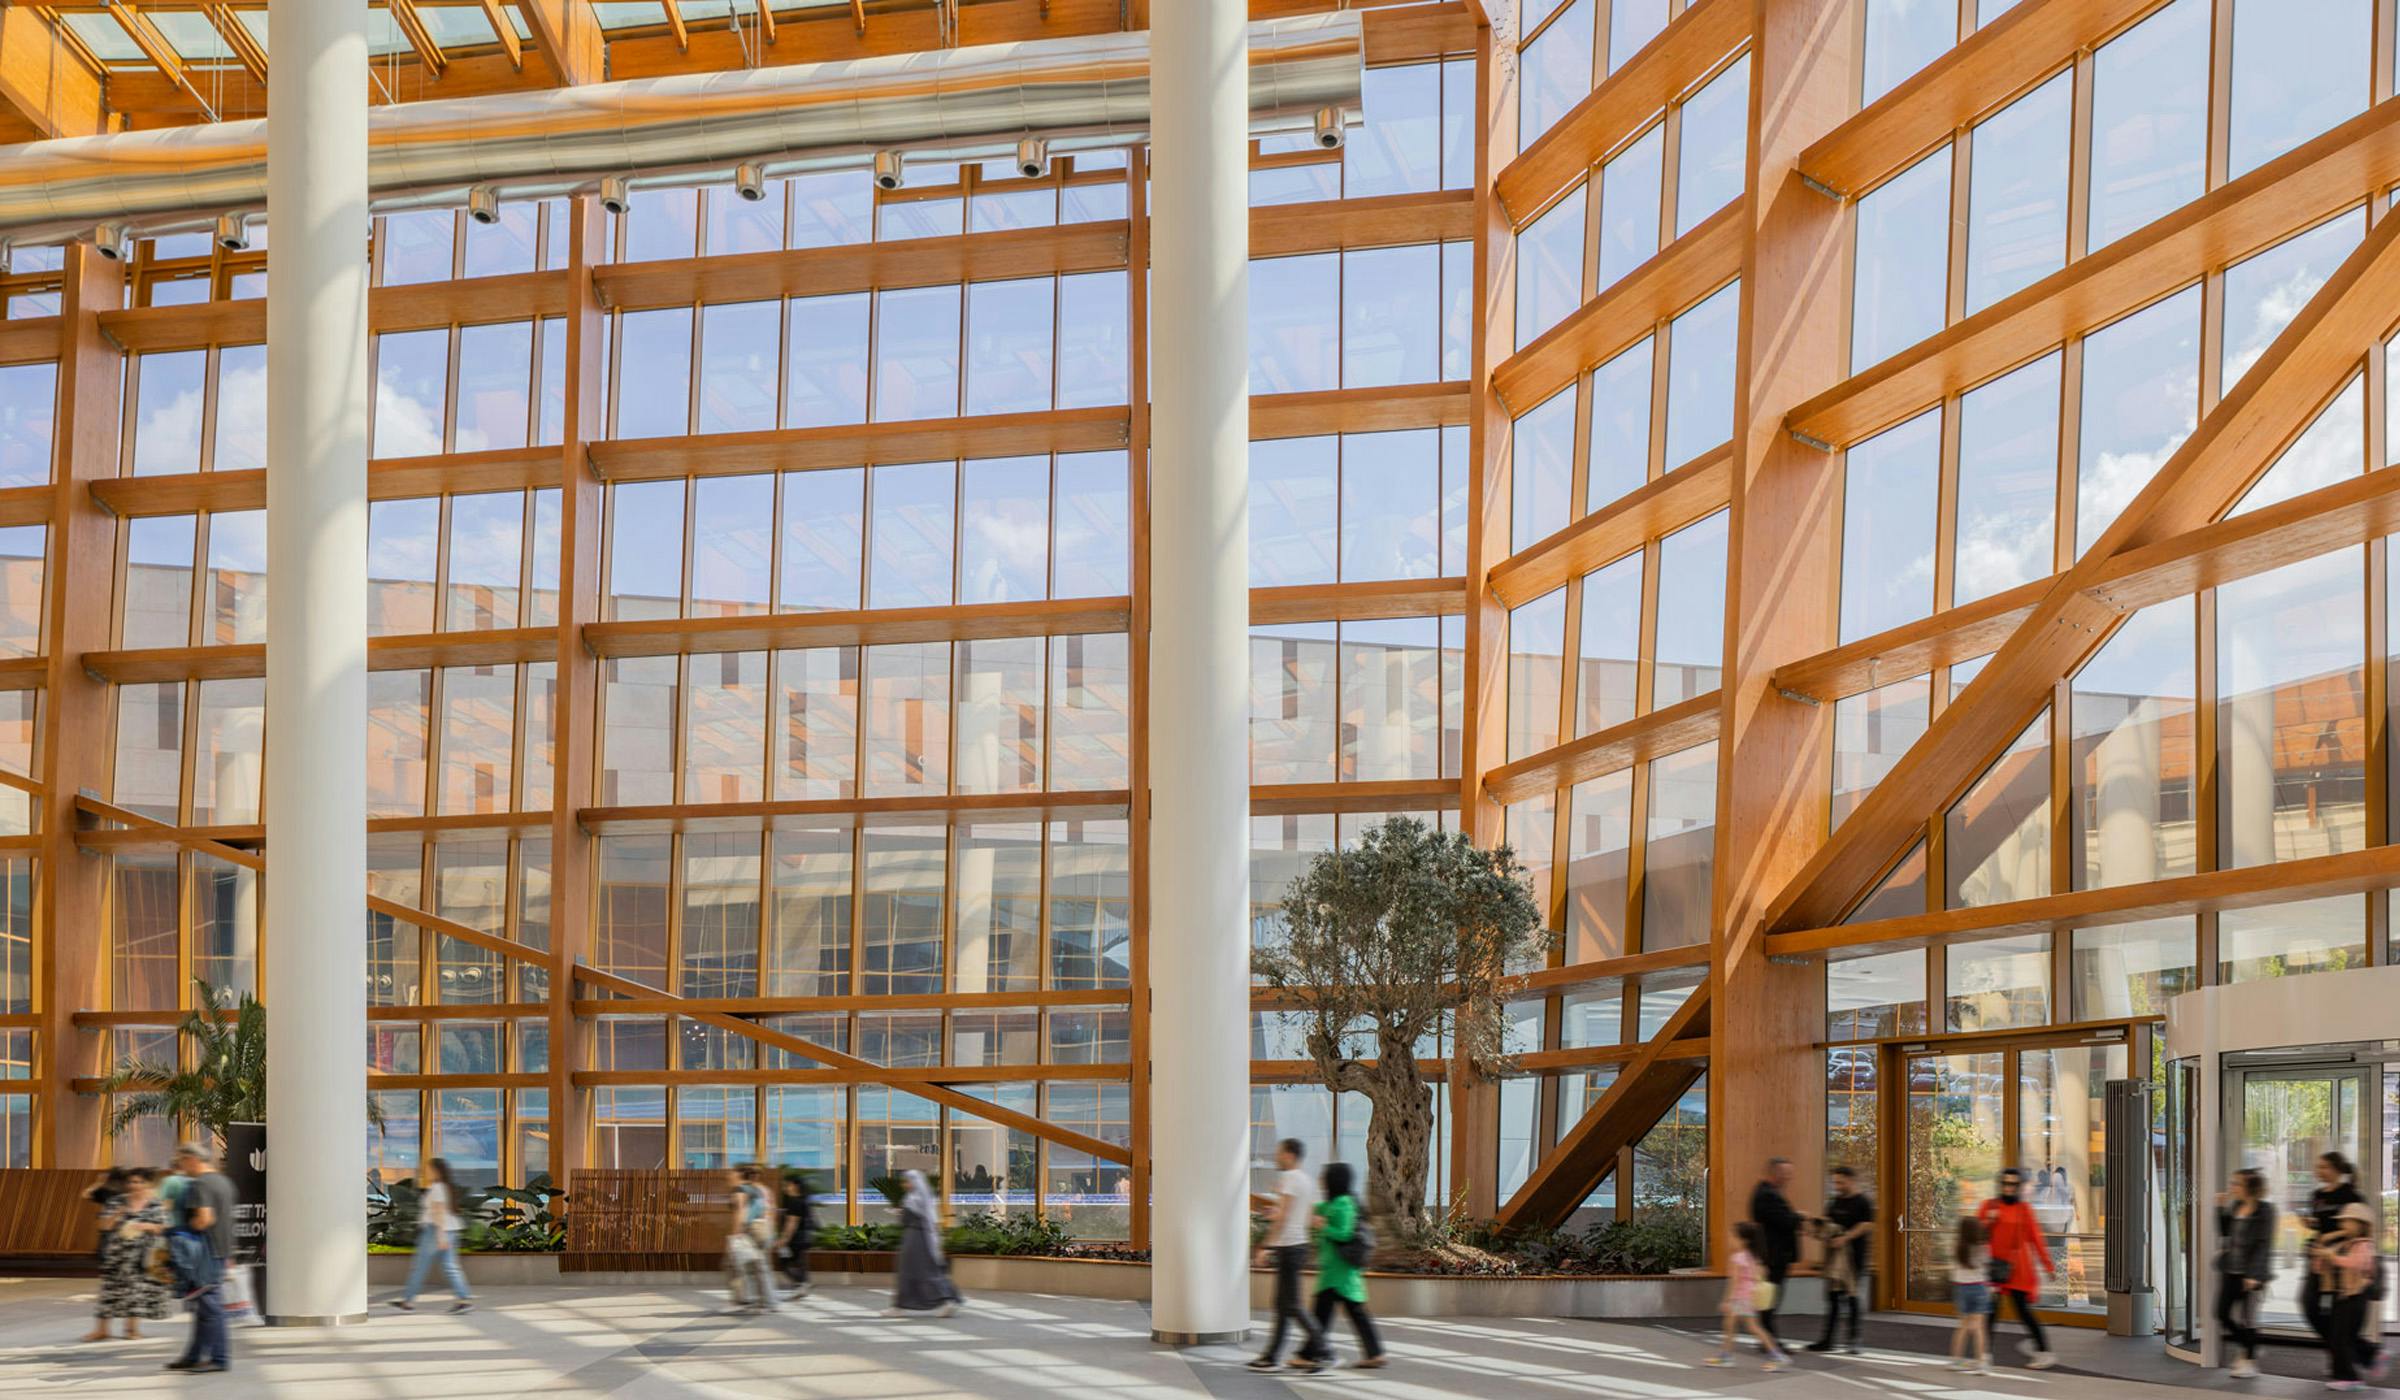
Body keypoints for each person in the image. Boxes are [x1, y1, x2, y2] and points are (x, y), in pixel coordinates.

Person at [1295, 1162, 1383, 1371]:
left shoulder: (1344, 1203)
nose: (1320, 1179)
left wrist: (1323, 1225)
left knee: (1323, 1314)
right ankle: (1375, 1353)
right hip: (1336, 1270)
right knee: (1350, 1313)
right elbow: (1319, 1210)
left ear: (1334, 1179)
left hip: (1340, 1271)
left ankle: (1310, 1354)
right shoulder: (1334, 1202)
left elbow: (1344, 1233)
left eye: (1323, 1176)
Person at [2303, 1152, 2383, 1381]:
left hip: (2344, 1263)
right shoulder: (2317, 1195)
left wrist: (2331, 1236)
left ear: (2337, 1169)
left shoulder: (2351, 1195)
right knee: (2310, 1307)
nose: (2318, 1170)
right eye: (2317, 1166)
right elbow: (2321, 1223)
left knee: (2341, 1316)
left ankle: (2343, 1357)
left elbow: (2359, 1225)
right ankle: (2351, 1353)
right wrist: (2312, 1225)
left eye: (2324, 1166)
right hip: (2321, 1258)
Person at [1248, 1137, 1324, 1373]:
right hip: (1298, 1246)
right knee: (1283, 1305)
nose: (1276, 1157)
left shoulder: (1290, 1178)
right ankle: (1271, 1357)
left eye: (1279, 1153)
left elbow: (1283, 1219)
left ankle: (1324, 1351)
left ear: (1290, 1154)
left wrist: (1265, 1247)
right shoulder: (1308, 1181)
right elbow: (1311, 1218)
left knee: (1292, 1305)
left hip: (1289, 1247)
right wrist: (1278, 1211)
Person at [164, 1142, 234, 1375]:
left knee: (211, 1307)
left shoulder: (200, 1185)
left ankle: (219, 1358)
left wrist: (180, 1231)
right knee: (203, 1309)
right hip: (221, 1249)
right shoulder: (223, 1181)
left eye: (182, 1160)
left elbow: (204, 1219)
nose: (181, 1166)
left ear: (193, 1159)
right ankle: (194, 1356)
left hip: (205, 1253)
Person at [1976, 1168, 2056, 1369]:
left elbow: (2036, 1239)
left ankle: (2044, 1352)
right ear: (2000, 1184)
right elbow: (1976, 1234)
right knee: (1990, 1312)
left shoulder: (2024, 1209)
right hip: (1995, 1268)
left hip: (2019, 1269)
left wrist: (2048, 1265)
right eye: (2005, 1183)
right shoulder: (1989, 1206)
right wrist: (1990, 1221)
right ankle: (1984, 1355)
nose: (2008, 1188)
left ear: (2018, 1186)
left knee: (2023, 1312)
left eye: (2013, 1184)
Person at [86, 1168, 170, 1342]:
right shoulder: (117, 1202)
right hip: (118, 1252)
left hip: (143, 1253)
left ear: (148, 1184)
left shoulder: (155, 1204)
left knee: (136, 1291)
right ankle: (102, 1330)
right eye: (131, 1182)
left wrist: (146, 1226)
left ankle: (131, 1329)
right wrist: (118, 1213)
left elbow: (163, 1227)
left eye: (139, 1182)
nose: (134, 1186)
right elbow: (104, 1226)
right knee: (109, 1290)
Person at [2311, 1201, 2384, 1391]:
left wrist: (2331, 1257)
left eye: (2348, 1222)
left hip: (2356, 1297)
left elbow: (2355, 1264)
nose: (2343, 1225)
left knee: (2342, 1338)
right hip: (2343, 1296)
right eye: (2342, 1222)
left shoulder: (2364, 1245)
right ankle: (2367, 1358)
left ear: (2360, 1224)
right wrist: (2321, 1257)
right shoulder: (2344, 1243)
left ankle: (2350, 1378)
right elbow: (2322, 1267)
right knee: (2341, 1337)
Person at [2213, 1167, 2275, 1379]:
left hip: (2251, 1274)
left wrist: (2254, 1275)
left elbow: (2263, 1245)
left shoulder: (2265, 1210)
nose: (2232, 1187)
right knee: (2221, 1313)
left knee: (2249, 1319)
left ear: (2249, 1187)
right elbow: (2225, 1233)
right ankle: (2250, 1347)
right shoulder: (2236, 1206)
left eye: (2236, 1183)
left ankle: (2249, 1361)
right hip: (2230, 1270)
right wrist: (2220, 1209)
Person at [391, 1157, 474, 1313]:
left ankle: (408, 1301)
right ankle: (465, 1299)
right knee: (450, 1267)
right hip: (449, 1230)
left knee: (420, 1267)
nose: (426, 1173)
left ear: (436, 1171)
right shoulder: (445, 1187)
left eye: (428, 1170)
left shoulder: (437, 1188)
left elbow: (438, 1212)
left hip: (435, 1231)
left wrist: (440, 1236)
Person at [1808, 1164, 1875, 1355]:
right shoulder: (1834, 1202)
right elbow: (1827, 1223)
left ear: (1850, 1180)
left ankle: (1854, 1340)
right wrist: (1817, 1227)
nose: (1837, 1185)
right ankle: (1827, 1340)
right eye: (1835, 1182)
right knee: (1833, 1299)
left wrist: (1845, 1238)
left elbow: (1867, 1225)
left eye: (1840, 1182)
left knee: (1852, 1298)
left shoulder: (1863, 1202)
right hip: (1834, 1260)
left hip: (1854, 1258)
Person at [1707, 1220, 1789, 1372]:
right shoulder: (1752, 1256)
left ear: (1744, 1240)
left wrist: (1727, 1300)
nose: (1729, 1239)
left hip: (1740, 1298)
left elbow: (1734, 1282)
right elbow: (1762, 1273)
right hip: (1748, 1296)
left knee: (1750, 1327)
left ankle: (1777, 1356)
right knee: (1732, 1325)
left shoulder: (1738, 1258)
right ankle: (1726, 1356)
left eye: (1732, 1237)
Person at [885, 1169, 962, 1317]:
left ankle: (900, 1306)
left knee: (913, 1271)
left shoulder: (912, 1199)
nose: (905, 1185)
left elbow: (906, 1219)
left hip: (915, 1239)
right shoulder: (924, 1198)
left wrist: (899, 1213)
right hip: (923, 1238)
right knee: (928, 1271)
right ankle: (947, 1300)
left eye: (907, 1181)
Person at [1747, 1157, 1801, 1350]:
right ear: (1775, 1173)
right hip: (1773, 1256)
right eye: (1785, 1174)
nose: (1788, 1178)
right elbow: (1785, 1221)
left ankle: (1767, 1339)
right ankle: (1769, 1341)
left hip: (1773, 1256)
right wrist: (1800, 1217)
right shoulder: (1767, 1195)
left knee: (1769, 1298)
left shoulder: (1768, 1193)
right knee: (1770, 1299)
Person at [724, 1165, 779, 1314]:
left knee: (736, 1265)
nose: (729, 1175)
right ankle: (767, 1302)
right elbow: (769, 1210)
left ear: (740, 1174)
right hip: (762, 1230)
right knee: (759, 1267)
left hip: (750, 1231)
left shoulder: (740, 1190)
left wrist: (736, 1235)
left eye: (731, 1172)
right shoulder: (759, 1190)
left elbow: (741, 1212)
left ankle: (744, 1301)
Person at [1948, 1217, 1992, 1374]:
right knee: (1978, 1327)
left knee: (1963, 1326)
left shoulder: (1957, 1247)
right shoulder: (1982, 1248)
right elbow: (1987, 1263)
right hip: (1978, 1287)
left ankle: (1956, 1361)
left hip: (1960, 1288)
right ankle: (1981, 1363)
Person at [773, 1169, 817, 1300]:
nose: (786, 1187)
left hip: (796, 1239)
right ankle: (803, 1284)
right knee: (800, 1263)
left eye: (788, 1185)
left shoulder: (794, 1202)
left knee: (784, 1262)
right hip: (804, 1238)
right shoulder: (803, 1200)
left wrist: (783, 1239)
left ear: (795, 1186)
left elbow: (792, 1222)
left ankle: (801, 1284)